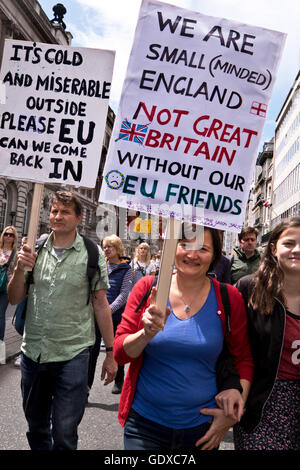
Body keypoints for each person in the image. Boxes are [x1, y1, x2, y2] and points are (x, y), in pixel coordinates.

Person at [114, 225, 253, 450]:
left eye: (203, 248)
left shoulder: (230, 297)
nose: (192, 254)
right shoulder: (147, 288)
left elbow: (243, 358)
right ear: (173, 248)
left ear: (215, 256)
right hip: (145, 426)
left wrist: (233, 409)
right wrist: (145, 334)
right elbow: (120, 354)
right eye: (185, 244)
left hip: (202, 429)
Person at [7, 191, 117, 450]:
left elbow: (101, 304)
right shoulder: (34, 248)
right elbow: (14, 298)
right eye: (55, 211)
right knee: (36, 427)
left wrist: (111, 352)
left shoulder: (92, 253)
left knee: (65, 432)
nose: (57, 216)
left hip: (74, 354)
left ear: (79, 217)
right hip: (34, 353)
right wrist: (21, 268)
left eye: (65, 212)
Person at [233, 217, 300, 450]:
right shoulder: (248, 288)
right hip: (262, 403)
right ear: (273, 249)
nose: (297, 250)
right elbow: (233, 350)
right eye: (289, 243)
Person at [88, 235, 132, 395]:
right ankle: (86, 386)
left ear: (117, 249)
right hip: (97, 314)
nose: (106, 249)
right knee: (91, 350)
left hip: (115, 315)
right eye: (105, 247)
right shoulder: (101, 266)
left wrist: (109, 310)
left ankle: (119, 379)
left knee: (115, 348)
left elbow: (124, 294)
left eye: (110, 247)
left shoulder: (126, 269)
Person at [0, 225, 18, 342]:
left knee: (1, 315)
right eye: (6, 234)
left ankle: (0, 342)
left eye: (11, 235)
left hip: (5, 288)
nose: (8, 236)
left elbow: (17, 271)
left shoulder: (16, 254)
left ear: (14, 238)